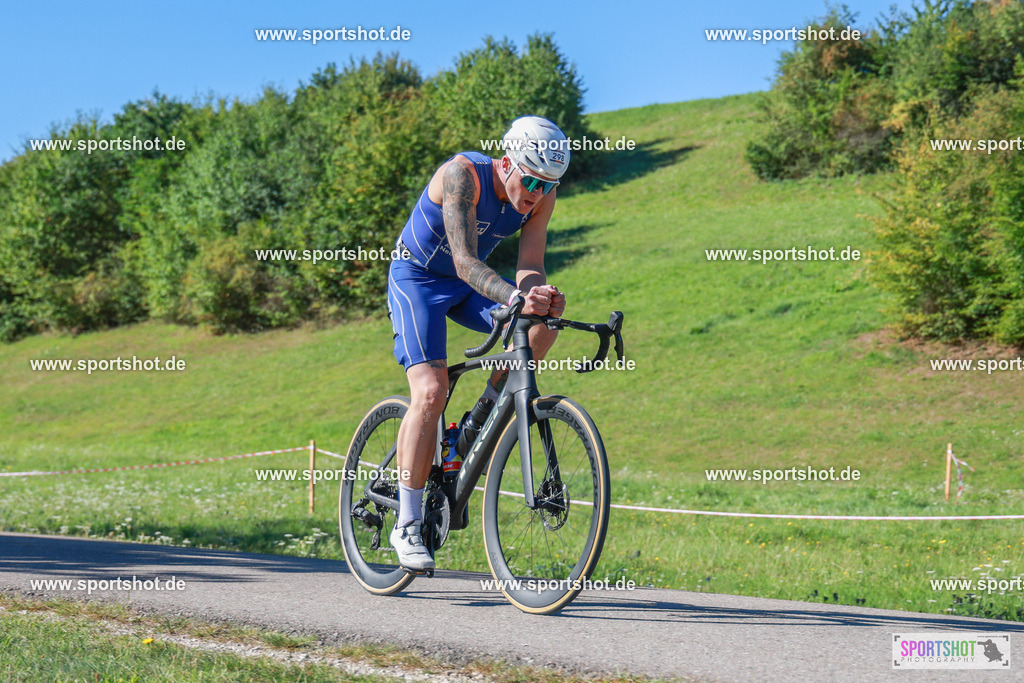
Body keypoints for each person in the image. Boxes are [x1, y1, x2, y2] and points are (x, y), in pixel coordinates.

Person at [385, 115, 570, 571]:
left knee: (541, 326)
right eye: (529, 179)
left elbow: (530, 264)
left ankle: (478, 420)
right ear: (506, 163)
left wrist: (538, 296)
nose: (535, 193)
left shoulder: (542, 195)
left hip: (471, 287)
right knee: (430, 391)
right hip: (420, 279)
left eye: (546, 185)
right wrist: (514, 295)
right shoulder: (461, 175)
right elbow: (466, 260)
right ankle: (406, 524)